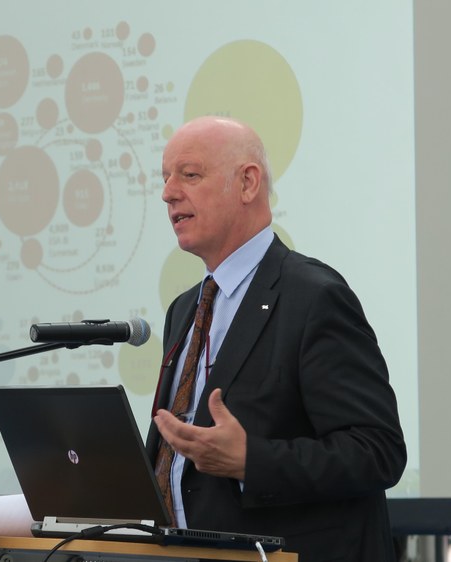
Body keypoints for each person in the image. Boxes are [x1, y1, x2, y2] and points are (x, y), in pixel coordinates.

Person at [146, 116, 407, 562]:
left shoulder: (314, 297)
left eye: (189, 175)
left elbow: (377, 450)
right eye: (165, 177)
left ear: (248, 183)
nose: (168, 192)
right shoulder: (184, 309)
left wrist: (252, 461)